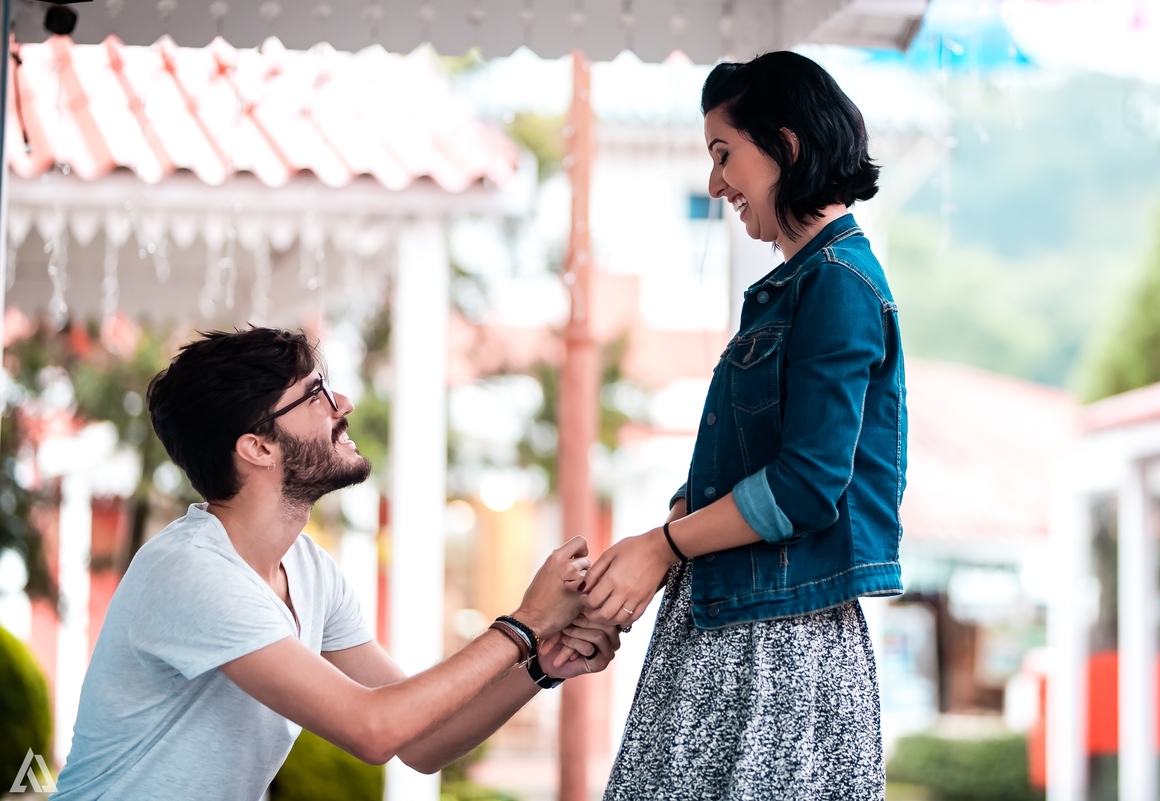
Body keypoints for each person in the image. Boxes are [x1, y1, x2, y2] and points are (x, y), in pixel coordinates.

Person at [51, 328, 620, 801]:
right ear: (259, 447)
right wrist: (523, 624)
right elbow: (373, 730)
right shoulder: (192, 571)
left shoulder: (307, 568)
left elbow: (420, 743)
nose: (342, 405)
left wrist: (541, 664)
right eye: (316, 394)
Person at [576, 52, 906, 800]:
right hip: (744, 623)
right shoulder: (803, 283)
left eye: (725, 154)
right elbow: (749, 468)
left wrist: (661, 545)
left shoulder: (837, 284)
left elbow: (805, 487)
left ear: (785, 146)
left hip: (776, 641)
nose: (716, 183)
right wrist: (657, 541)